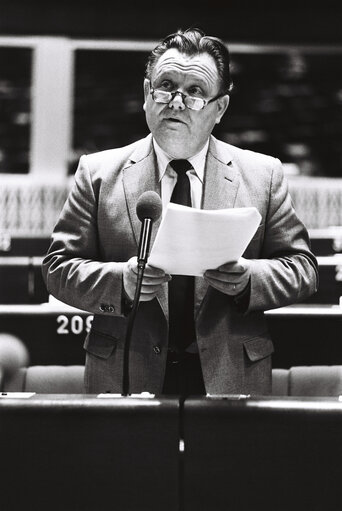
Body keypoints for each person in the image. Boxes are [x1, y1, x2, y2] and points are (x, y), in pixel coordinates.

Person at [42, 28, 318, 396]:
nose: (176, 101)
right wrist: (120, 281)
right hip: (125, 371)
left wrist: (250, 278)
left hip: (229, 373)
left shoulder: (263, 175)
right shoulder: (97, 172)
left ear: (220, 108)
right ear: (146, 94)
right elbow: (58, 269)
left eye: (195, 93)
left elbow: (303, 269)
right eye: (165, 86)